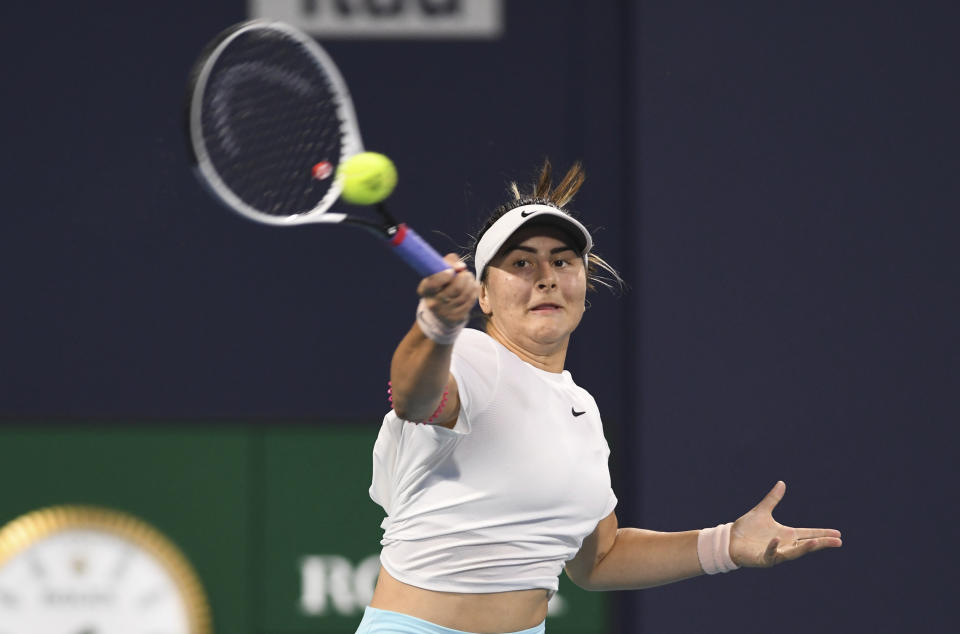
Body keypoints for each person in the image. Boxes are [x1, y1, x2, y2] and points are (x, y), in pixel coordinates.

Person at [357, 161, 842, 634]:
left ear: (583, 285)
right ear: (483, 295)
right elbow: (416, 400)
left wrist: (727, 544)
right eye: (522, 262)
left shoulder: (582, 411)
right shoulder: (471, 356)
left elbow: (599, 560)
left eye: (562, 261)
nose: (545, 276)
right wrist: (437, 326)